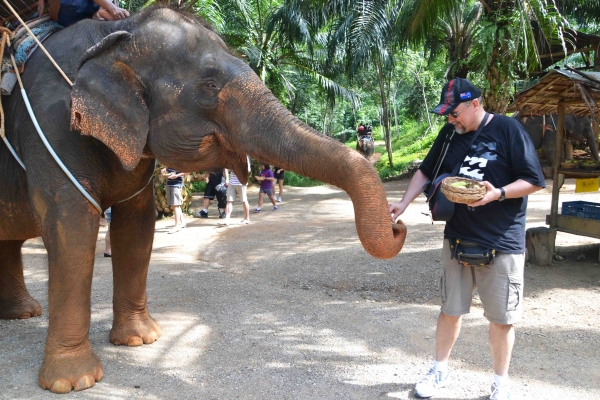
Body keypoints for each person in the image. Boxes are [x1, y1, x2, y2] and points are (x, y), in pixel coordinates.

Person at [388, 78, 545, 400]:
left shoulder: (508, 130)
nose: (450, 120)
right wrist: (403, 203)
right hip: (458, 237)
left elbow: (533, 180)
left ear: (475, 104)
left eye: (454, 113)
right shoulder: (450, 134)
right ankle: (439, 370)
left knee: (501, 319)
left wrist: (497, 194)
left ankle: (501, 382)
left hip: (501, 241)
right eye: (446, 115)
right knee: (450, 309)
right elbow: (425, 171)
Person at [48, 0, 129, 27]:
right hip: (67, 10)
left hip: (73, 13)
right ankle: (99, 12)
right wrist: (113, 8)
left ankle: (98, 12)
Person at [220, 158, 251, 226]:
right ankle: (227, 219)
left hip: (241, 183)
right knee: (229, 201)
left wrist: (238, 168)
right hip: (232, 182)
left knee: (244, 200)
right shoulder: (231, 157)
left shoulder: (244, 157)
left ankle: (247, 218)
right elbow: (226, 168)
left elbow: (248, 170)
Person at [161, 167, 187, 233]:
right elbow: (168, 169)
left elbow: (188, 171)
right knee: (174, 205)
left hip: (176, 185)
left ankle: (176, 225)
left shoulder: (181, 160)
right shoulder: (170, 161)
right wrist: (164, 169)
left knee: (176, 205)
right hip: (169, 184)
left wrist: (177, 176)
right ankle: (182, 222)